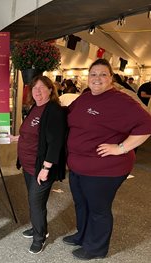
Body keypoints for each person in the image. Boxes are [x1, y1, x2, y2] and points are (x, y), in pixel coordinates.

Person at [64, 58, 151, 260]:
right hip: (78, 166)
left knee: (98, 210)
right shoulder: (85, 98)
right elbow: (68, 115)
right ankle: (82, 235)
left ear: (111, 78)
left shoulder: (121, 101)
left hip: (104, 169)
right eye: (93, 74)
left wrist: (120, 148)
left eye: (103, 74)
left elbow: (147, 125)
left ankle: (96, 249)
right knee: (81, 203)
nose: (97, 79)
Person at [10, 76, 67, 255]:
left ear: (51, 90)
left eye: (42, 88)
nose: (38, 91)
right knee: (33, 200)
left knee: (36, 203)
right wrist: (17, 138)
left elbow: (55, 142)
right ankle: (38, 228)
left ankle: (39, 237)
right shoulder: (36, 107)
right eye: (35, 88)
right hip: (28, 165)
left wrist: (46, 168)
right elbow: (34, 133)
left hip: (42, 167)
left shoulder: (54, 111)